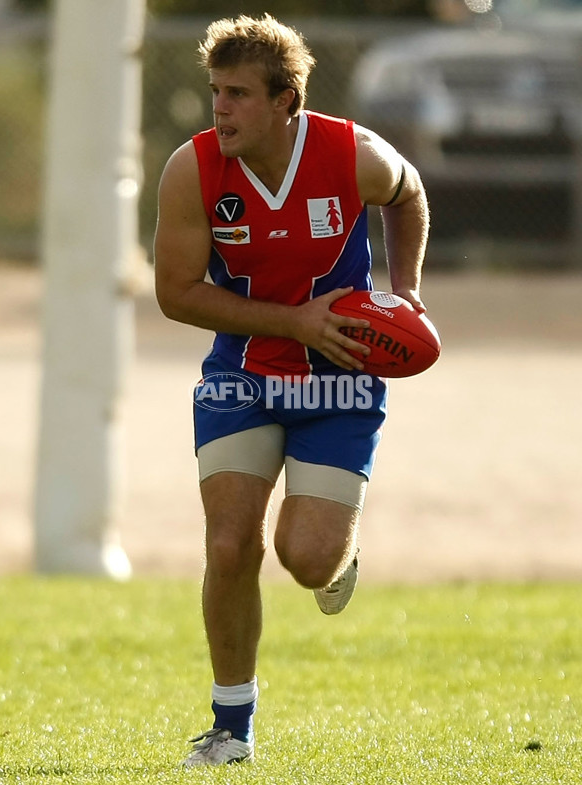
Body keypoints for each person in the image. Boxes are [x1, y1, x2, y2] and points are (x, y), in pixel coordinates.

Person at [153, 13, 430, 767]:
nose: (220, 108)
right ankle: (231, 727)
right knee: (227, 541)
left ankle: (335, 552)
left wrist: (405, 292)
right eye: (216, 91)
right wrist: (291, 322)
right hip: (242, 373)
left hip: (340, 376)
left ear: (286, 103)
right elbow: (176, 293)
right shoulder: (194, 168)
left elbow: (408, 193)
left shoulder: (350, 154)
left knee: (304, 557)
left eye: (239, 94)